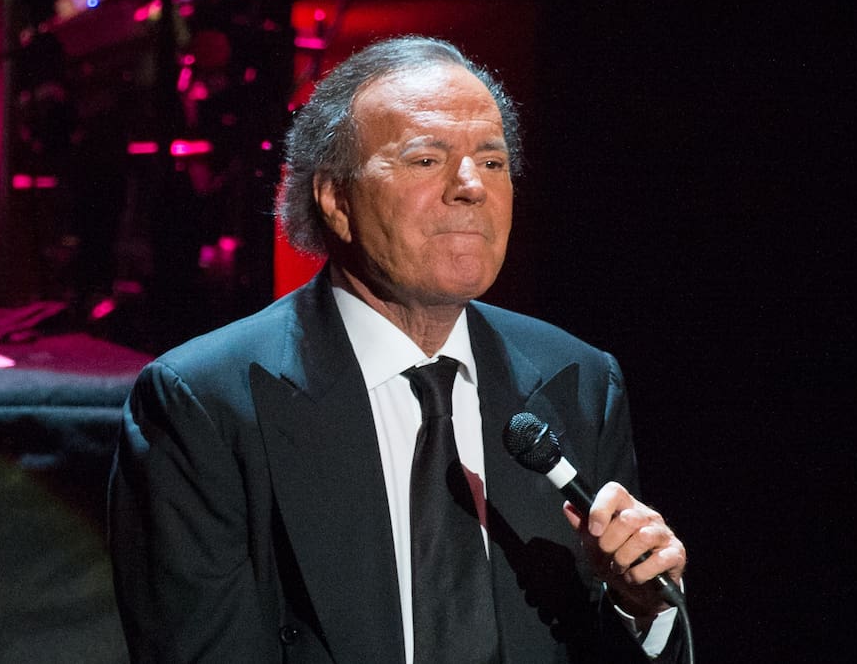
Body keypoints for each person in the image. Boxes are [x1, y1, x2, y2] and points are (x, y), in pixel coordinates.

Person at [109, 36, 687, 663]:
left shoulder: (580, 381)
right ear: (336, 199)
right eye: (426, 159)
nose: (471, 186)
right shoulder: (203, 404)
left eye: (493, 162)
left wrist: (643, 608)